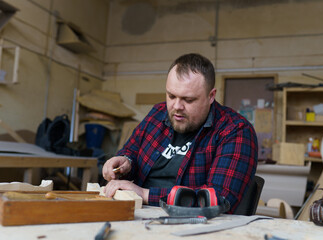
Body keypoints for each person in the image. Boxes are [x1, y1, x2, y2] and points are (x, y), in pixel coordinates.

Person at [102, 53, 258, 213]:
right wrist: (124, 161)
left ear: (211, 96)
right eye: (171, 96)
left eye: (188, 100)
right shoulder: (158, 113)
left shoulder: (236, 130)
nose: (177, 106)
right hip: (137, 213)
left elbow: (218, 199)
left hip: (192, 226)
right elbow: (131, 151)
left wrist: (144, 194)